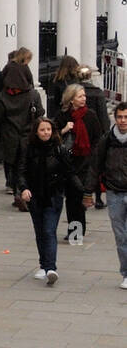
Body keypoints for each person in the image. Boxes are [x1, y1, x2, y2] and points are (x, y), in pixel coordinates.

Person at [16, 116, 74, 284]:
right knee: (40, 231)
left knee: (49, 230)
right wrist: (24, 188)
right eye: (42, 130)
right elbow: (21, 171)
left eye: (48, 129)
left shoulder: (59, 149)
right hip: (35, 196)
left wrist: (81, 193)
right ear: (36, 132)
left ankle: (51, 268)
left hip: (54, 196)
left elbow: (69, 173)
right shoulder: (28, 149)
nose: (46, 132)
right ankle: (43, 265)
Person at [55, 83, 104, 242]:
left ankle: (77, 232)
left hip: (86, 163)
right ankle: (74, 231)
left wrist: (93, 157)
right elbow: (52, 138)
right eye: (80, 96)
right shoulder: (62, 116)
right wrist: (64, 130)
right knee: (71, 199)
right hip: (68, 163)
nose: (84, 99)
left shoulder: (90, 115)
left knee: (78, 198)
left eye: (84, 96)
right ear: (71, 99)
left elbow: (98, 138)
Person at [93, 99, 127, 289]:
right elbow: (96, 164)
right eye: (119, 117)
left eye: (126, 117)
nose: (122, 121)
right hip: (114, 192)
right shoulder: (108, 139)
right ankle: (126, 273)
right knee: (121, 236)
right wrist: (88, 192)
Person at [0, 47, 37, 206]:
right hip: (26, 130)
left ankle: (14, 188)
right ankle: (23, 190)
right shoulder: (31, 95)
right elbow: (39, 111)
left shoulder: (3, 95)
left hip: (9, 130)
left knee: (11, 161)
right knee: (24, 161)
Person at [77, 65, 111, 208]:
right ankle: (97, 197)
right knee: (96, 165)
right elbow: (103, 115)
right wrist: (106, 133)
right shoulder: (97, 93)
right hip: (95, 133)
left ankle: (80, 193)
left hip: (79, 133)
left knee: (80, 164)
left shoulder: (74, 92)